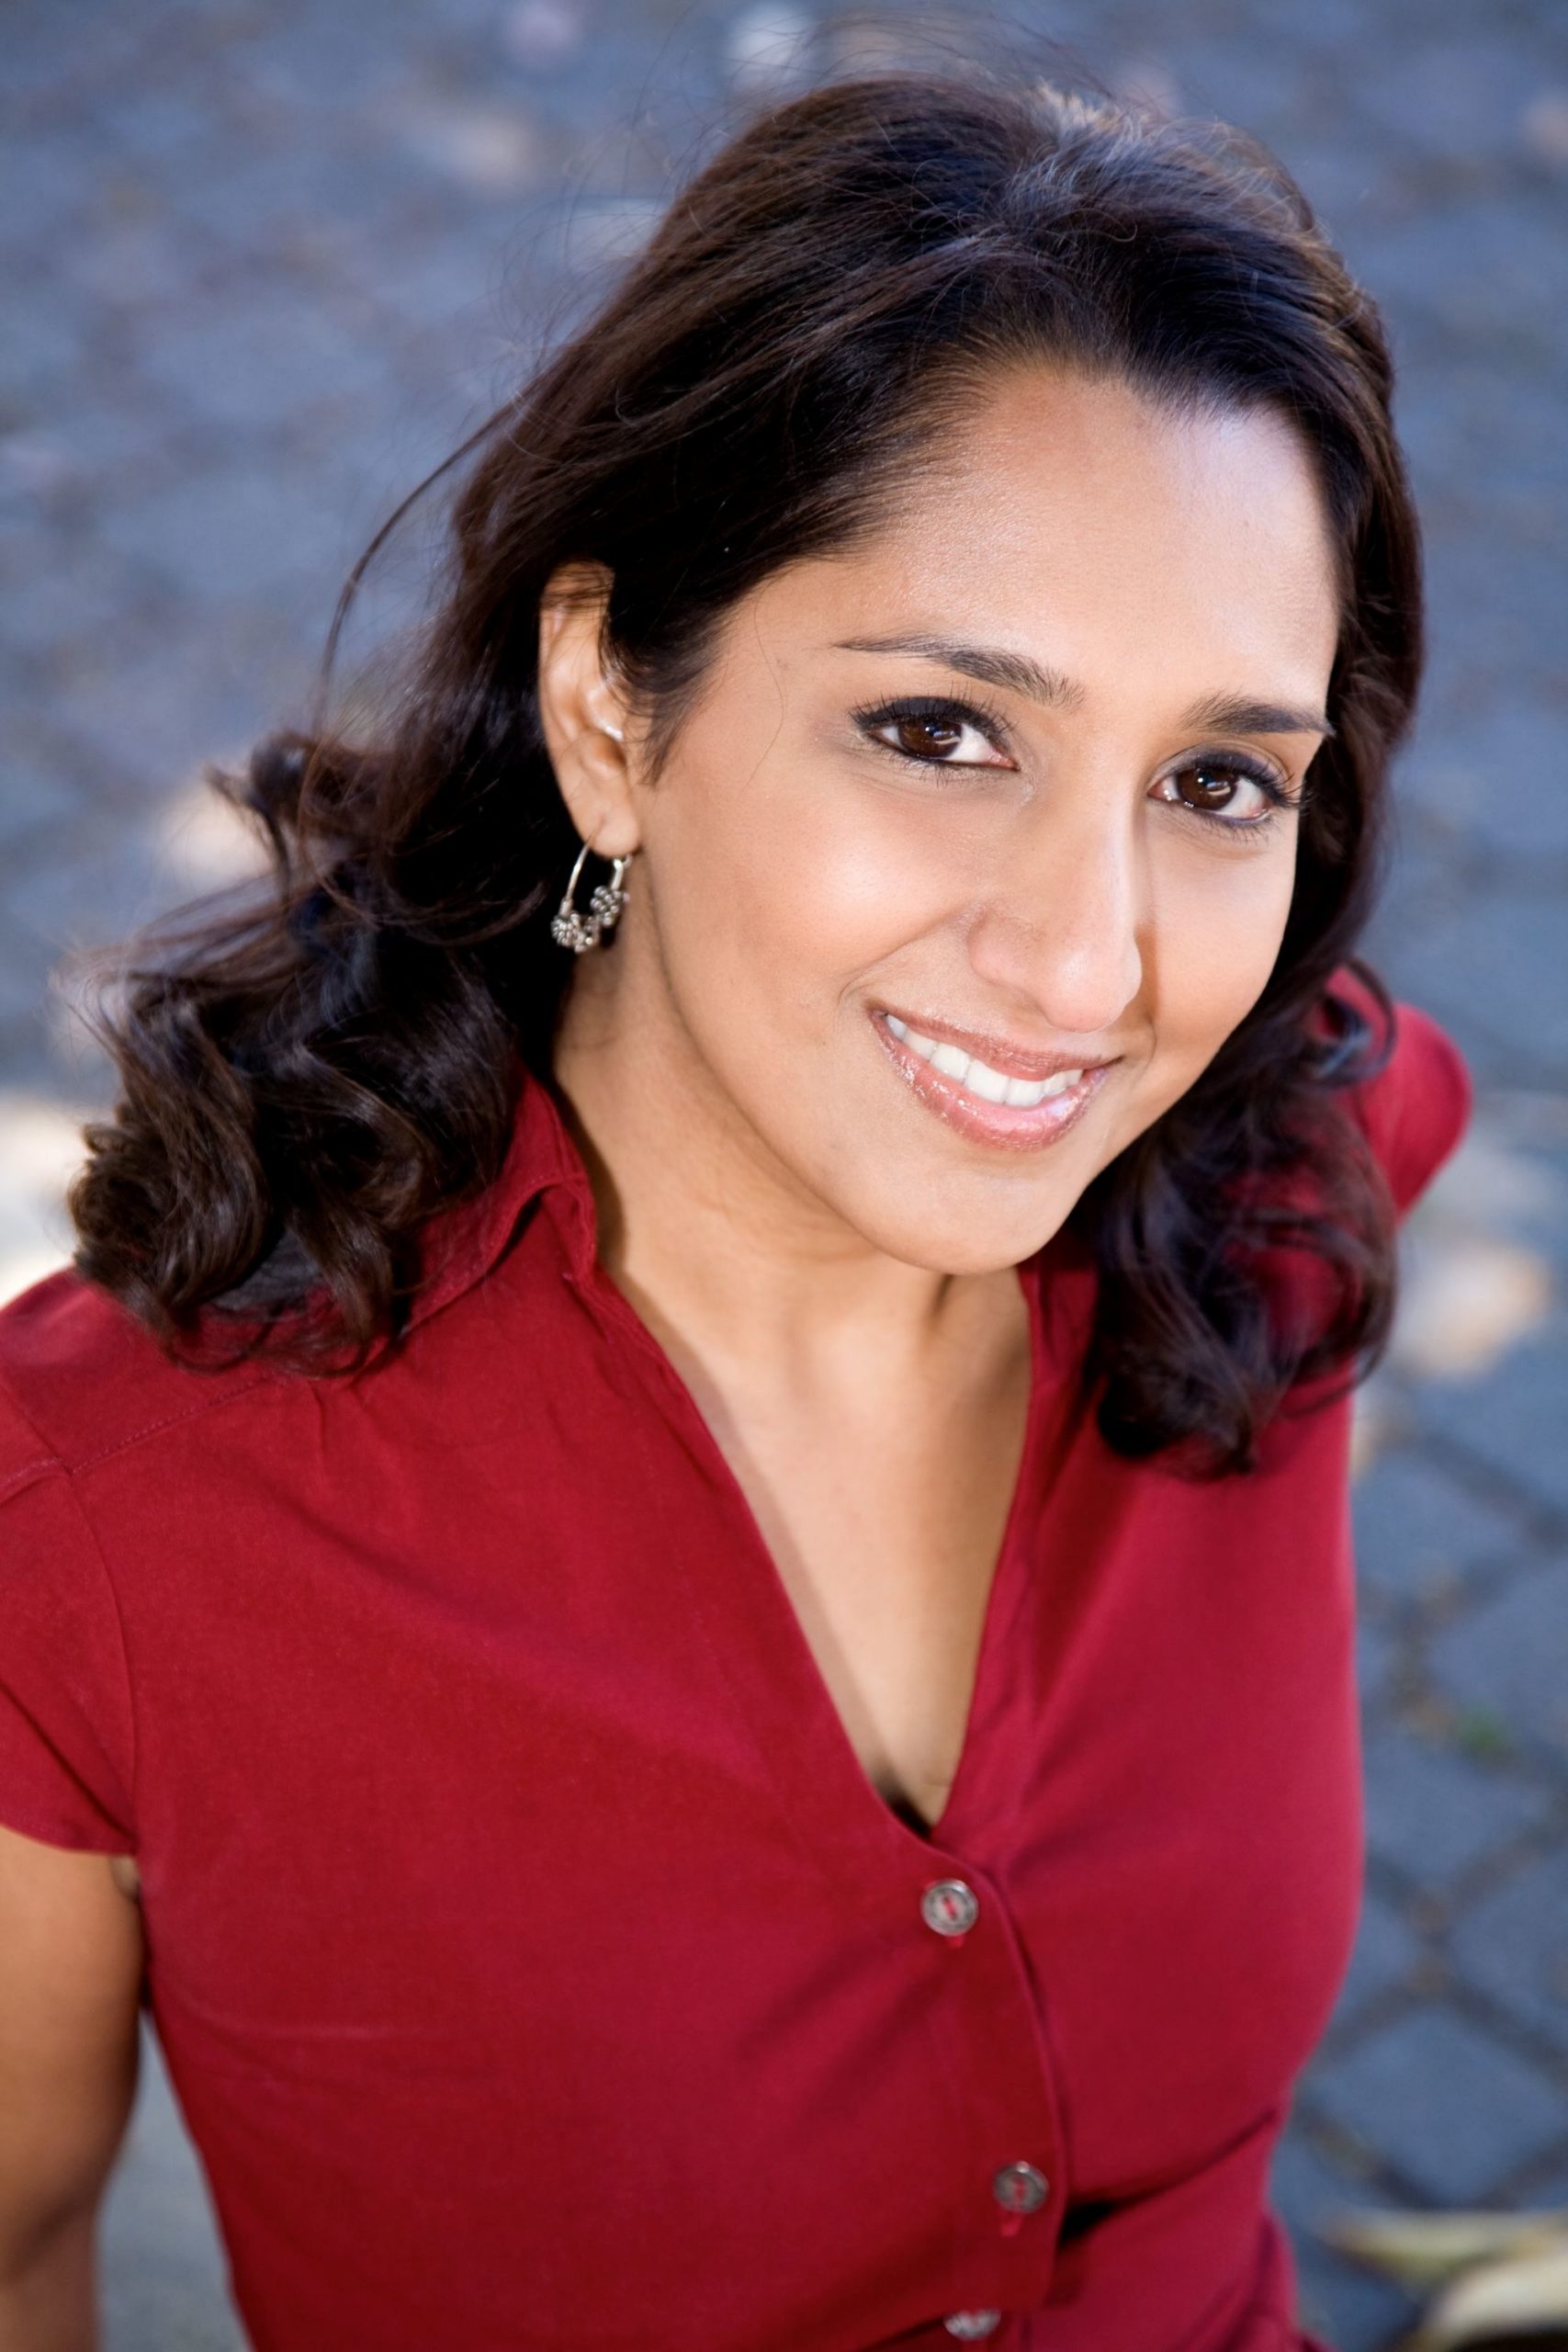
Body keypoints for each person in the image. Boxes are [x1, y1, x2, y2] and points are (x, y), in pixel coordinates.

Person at [0, 56, 1472, 2352]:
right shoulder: (100, 1525)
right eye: (940, 729)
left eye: (1212, 779)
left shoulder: (1291, 1172)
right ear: (609, 706)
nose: (1089, 966)